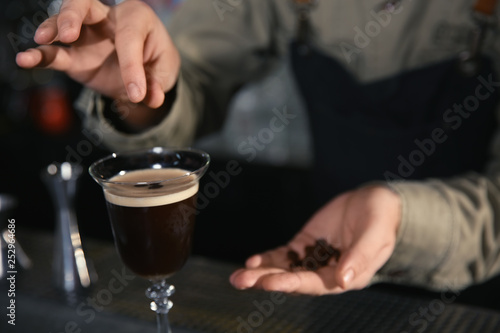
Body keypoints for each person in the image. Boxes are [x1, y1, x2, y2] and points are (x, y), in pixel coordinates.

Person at [16, 0, 500, 295]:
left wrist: (398, 217)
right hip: (318, 258)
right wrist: (135, 85)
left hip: (473, 289)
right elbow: (193, 78)